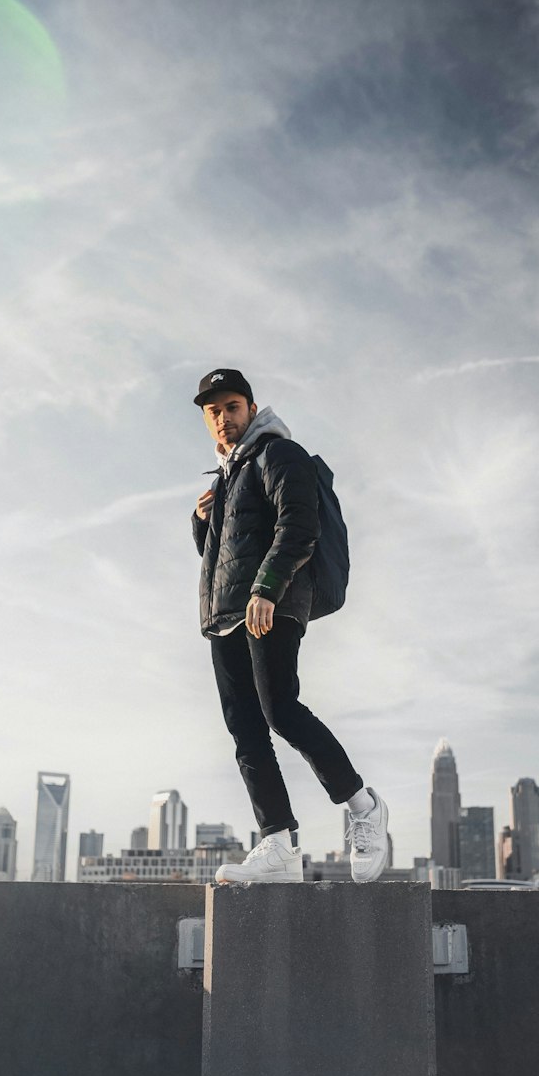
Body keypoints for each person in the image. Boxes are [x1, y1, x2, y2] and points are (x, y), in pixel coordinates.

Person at [191, 367, 389, 884]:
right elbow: (221, 561)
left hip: (269, 603)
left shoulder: (278, 454)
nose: (223, 418)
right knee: (245, 729)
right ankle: (278, 843)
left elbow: (300, 525)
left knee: (280, 709)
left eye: (232, 407)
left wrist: (267, 588)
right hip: (228, 615)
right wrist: (202, 523)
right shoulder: (227, 478)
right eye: (214, 412)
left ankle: (364, 808)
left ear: (252, 410)